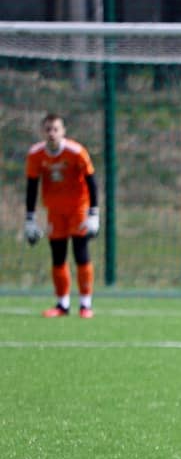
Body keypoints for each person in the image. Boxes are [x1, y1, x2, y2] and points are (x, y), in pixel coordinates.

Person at [24, 113, 100, 318]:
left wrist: (94, 213)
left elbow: (91, 182)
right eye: (48, 129)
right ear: (43, 132)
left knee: (80, 253)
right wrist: (30, 218)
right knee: (58, 256)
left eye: (56, 129)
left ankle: (85, 304)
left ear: (63, 131)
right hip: (55, 211)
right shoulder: (36, 154)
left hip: (78, 208)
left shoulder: (76, 152)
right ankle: (62, 304)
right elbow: (32, 186)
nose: (52, 133)